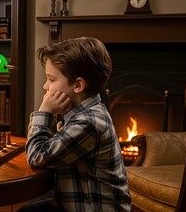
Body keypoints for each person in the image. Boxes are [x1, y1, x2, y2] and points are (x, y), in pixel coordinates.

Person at [19, 37, 131, 212]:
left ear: (78, 85)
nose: (45, 86)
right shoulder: (83, 112)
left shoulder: (88, 123)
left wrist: (44, 112)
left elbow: (36, 157)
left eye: (51, 79)